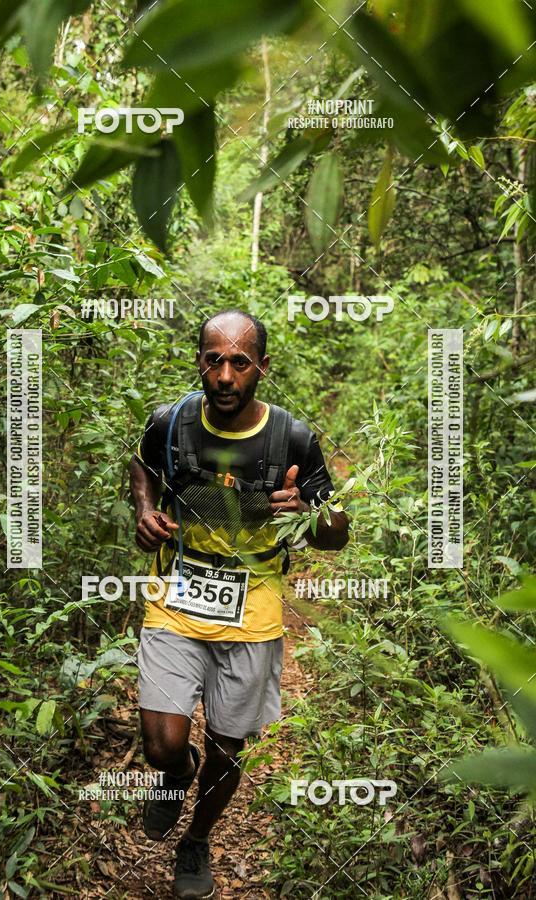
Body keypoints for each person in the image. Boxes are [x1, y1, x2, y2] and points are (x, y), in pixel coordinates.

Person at [129, 309, 348, 898]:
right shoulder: (170, 422)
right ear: (200, 361)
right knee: (162, 744)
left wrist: (314, 512)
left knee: (227, 748)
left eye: (240, 362)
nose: (225, 375)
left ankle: (196, 840)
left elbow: (336, 534)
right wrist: (144, 511)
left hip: (253, 608)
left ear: (262, 368)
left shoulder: (293, 438)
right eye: (213, 360)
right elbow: (143, 468)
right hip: (177, 595)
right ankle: (177, 772)